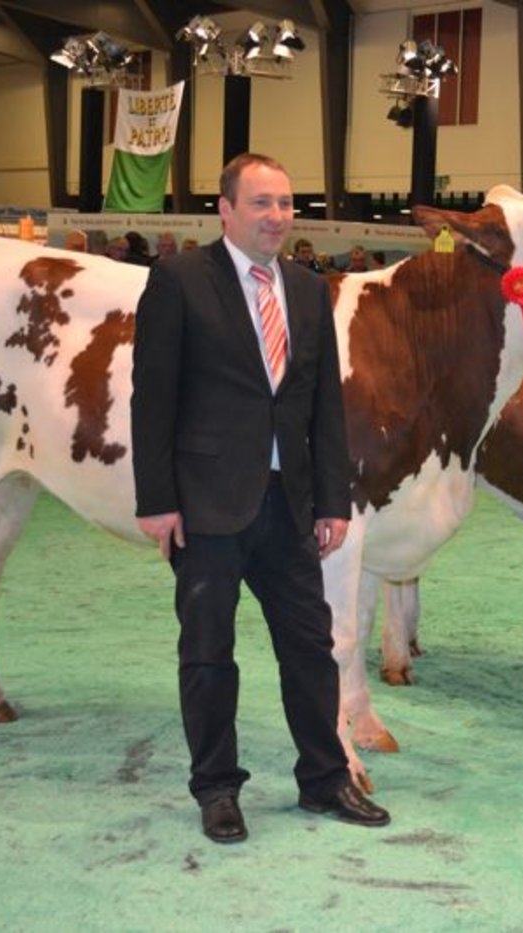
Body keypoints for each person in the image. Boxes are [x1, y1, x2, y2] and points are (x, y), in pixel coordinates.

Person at [130, 152, 389, 843]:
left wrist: (331, 500)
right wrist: (157, 499)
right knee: (209, 654)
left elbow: (323, 405)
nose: (277, 216)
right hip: (207, 504)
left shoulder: (307, 289)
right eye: (261, 203)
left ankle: (324, 777)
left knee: (310, 647)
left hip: (290, 506)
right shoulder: (180, 279)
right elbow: (152, 397)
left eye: (285, 203)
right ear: (225, 209)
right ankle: (217, 788)